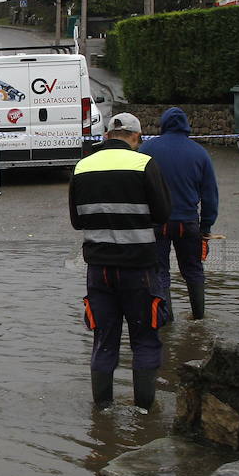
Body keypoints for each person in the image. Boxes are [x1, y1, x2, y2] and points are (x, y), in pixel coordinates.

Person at [69, 113, 172, 412]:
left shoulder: (82, 166)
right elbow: (163, 213)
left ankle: (102, 412)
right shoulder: (144, 164)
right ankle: (144, 412)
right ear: (136, 137)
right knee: (144, 340)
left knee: (103, 339)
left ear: (105, 136)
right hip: (139, 269)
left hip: (99, 270)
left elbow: (77, 221)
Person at [140, 107, 219, 321]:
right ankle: (199, 319)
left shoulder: (146, 149)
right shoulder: (199, 153)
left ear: (163, 124)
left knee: (159, 272)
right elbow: (210, 195)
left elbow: (137, 187)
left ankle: (166, 321)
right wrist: (206, 228)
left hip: (156, 223)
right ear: (186, 126)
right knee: (193, 269)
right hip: (188, 222)